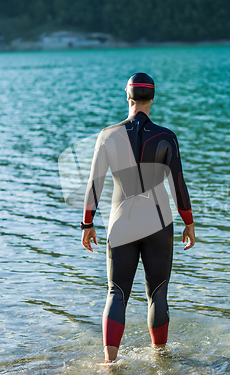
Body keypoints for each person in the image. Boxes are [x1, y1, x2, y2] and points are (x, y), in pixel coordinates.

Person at [80, 72, 195, 363]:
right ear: (152, 99)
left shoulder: (107, 136)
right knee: (158, 293)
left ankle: (109, 364)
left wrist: (87, 223)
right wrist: (189, 223)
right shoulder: (166, 137)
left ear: (128, 98)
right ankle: (160, 359)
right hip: (159, 222)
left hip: (121, 222)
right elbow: (178, 185)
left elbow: (94, 184)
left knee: (116, 292)